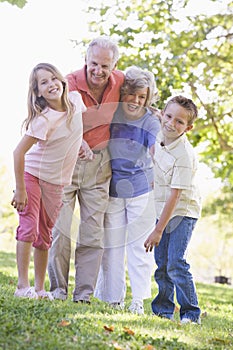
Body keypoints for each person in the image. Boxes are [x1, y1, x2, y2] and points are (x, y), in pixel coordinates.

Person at [48, 36, 125, 302]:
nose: (99, 71)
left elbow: (141, 97)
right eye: (94, 64)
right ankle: (58, 290)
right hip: (65, 161)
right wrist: (76, 137)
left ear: (114, 65)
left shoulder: (121, 83)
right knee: (60, 229)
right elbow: (55, 119)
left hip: (99, 165)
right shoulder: (68, 83)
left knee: (92, 232)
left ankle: (83, 294)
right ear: (86, 60)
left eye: (105, 66)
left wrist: (154, 114)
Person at [11, 63, 85, 300]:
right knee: (29, 228)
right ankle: (23, 287)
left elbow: (74, 131)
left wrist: (81, 145)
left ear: (62, 80)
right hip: (32, 176)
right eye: (44, 82)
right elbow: (18, 153)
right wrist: (21, 190)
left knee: (45, 234)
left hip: (56, 182)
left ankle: (40, 289)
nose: (51, 84)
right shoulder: (43, 120)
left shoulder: (75, 101)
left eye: (54, 78)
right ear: (38, 92)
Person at [94, 66, 161, 315]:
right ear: (123, 93)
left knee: (138, 247)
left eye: (142, 97)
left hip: (141, 191)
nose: (136, 101)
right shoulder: (113, 114)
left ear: (148, 97)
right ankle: (113, 298)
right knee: (112, 246)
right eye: (131, 95)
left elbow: (156, 148)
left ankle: (138, 301)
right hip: (113, 189)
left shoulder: (151, 120)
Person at [144, 95, 202, 324]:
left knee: (176, 262)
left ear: (188, 128)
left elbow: (175, 196)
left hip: (182, 212)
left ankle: (190, 313)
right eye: (168, 116)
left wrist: (158, 230)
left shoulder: (184, 156)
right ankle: (163, 311)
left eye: (179, 122)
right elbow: (155, 113)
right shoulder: (162, 132)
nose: (171, 123)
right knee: (162, 264)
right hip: (164, 207)